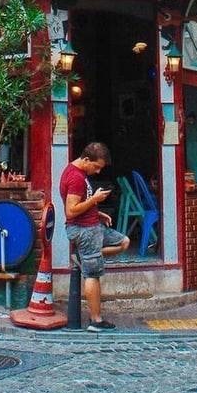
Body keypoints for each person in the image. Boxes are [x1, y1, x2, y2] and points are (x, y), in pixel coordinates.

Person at [60, 141, 130, 332]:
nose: (98, 171)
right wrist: (95, 200)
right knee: (93, 274)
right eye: (96, 166)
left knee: (124, 242)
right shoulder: (75, 177)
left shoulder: (80, 173)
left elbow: (80, 205)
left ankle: (86, 257)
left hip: (93, 225)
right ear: (86, 159)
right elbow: (71, 211)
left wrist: (97, 212)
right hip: (84, 230)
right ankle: (95, 321)